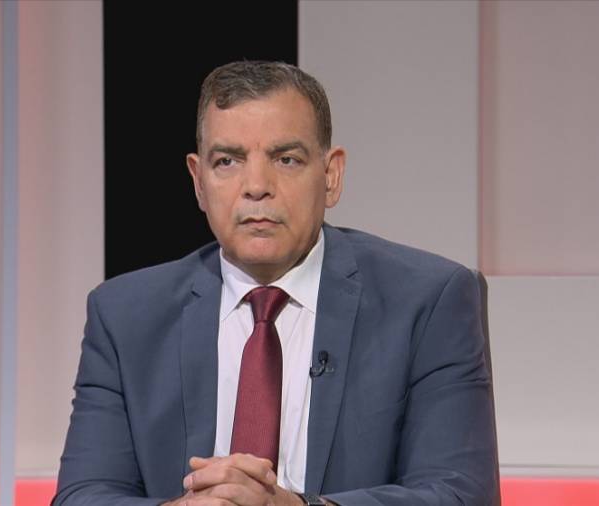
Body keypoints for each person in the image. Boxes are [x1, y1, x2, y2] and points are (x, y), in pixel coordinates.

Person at [54, 61, 498, 506]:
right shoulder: (125, 316)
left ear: (331, 175)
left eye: (286, 159)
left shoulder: (427, 302)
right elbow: (82, 496)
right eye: (227, 161)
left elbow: (459, 494)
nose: (256, 186)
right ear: (199, 182)